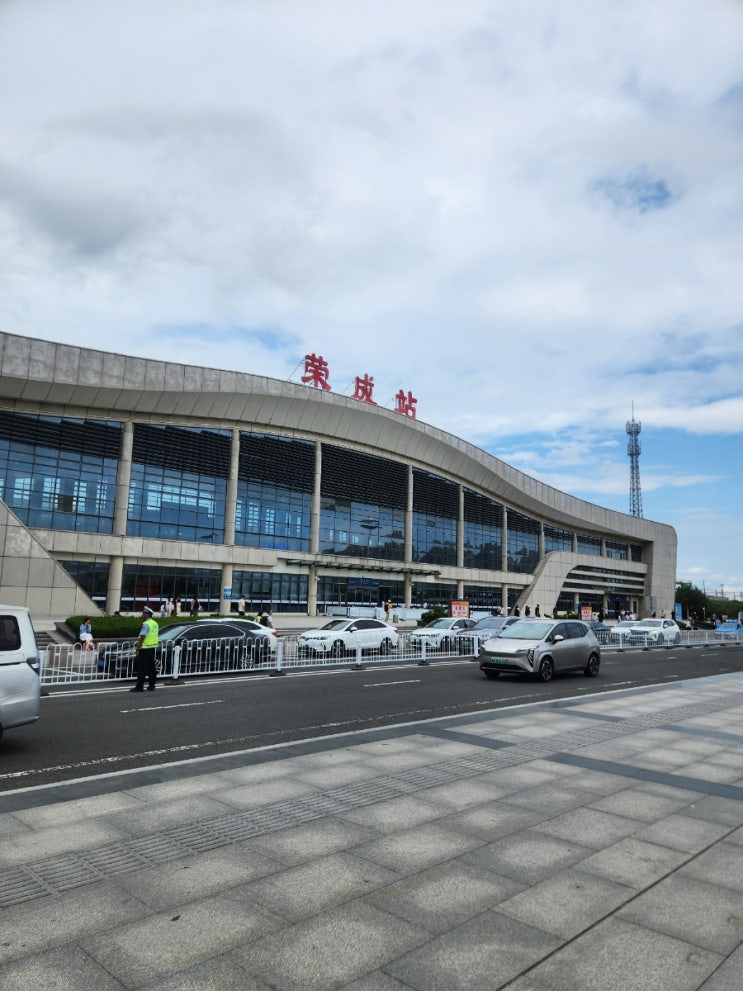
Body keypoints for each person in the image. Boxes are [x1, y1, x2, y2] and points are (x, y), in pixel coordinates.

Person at [131, 605, 159, 692]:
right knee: (151, 667)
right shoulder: (155, 623)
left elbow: (142, 637)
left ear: (147, 614)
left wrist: (138, 649)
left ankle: (139, 687)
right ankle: (152, 685)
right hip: (152, 648)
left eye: (143, 613)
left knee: (142, 668)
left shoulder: (146, 624)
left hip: (145, 648)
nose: (142, 615)